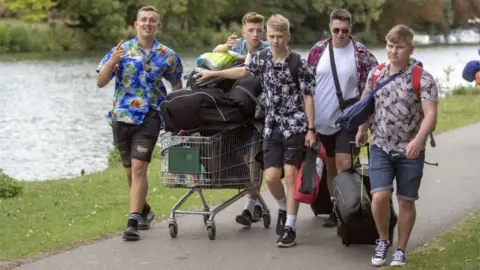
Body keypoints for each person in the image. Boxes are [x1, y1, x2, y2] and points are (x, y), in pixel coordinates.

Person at [196, 14, 316, 248]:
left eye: (279, 37)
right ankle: (282, 207)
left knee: (290, 175)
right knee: (271, 177)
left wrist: (311, 128)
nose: (275, 41)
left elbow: (308, 97)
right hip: (271, 126)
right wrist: (214, 73)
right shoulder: (261, 59)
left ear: (288, 36)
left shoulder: (299, 63)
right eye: (271, 36)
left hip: (296, 125)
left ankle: (290, 226)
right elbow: (243, 72)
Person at [96, 6, 184, 241]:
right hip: (122, 117)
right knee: (129, 172)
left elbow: (177, 84)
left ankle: (132, 222)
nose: (147, 23)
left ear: (158, 25)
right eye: (143, 20)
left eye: (152, 20)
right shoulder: (121, 51)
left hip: (150, 116)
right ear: (136, 24)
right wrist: (111, 62)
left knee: (138, 168)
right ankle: (144, 210)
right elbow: (100, 82)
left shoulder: (167, 55)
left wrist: (175, 111)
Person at [355, 25, 438, 267]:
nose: (393, 51)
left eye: (399, 47)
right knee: (379, 197)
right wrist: (362, 129)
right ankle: (383, 240)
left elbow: (431, 114)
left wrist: (419, 140)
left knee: (405, 201)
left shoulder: (422, 77)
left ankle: (400, 249)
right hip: (381, 145)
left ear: (410, 48)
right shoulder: (376, 73)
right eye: (390, 46)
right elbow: (366, 104)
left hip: (410, 149)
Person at [306, 9, 378, 228]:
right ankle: (336, 208)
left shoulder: (361, 54)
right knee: (330, 166)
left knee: (344, 164)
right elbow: (307, 85)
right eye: (336, 29)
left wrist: (366, 124)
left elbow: (373, 86)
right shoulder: (318, 50)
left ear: (350, 29)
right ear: (330, 28)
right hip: (321, 120)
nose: (340, 34)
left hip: (348, 119)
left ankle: (349, 210)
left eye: (344, 30)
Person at [212, 11, 270, 227]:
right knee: (236, 152)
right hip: (236, 110)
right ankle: (254, 202)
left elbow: (246, 71)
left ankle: (249, 206)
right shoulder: (236, 49)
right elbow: (210, 56)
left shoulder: (267, 50)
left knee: (254, 157)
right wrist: (224, 48)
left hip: (259, 112)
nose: (255, 35)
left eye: (259, 30)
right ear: (243, 31)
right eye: (251, 30)